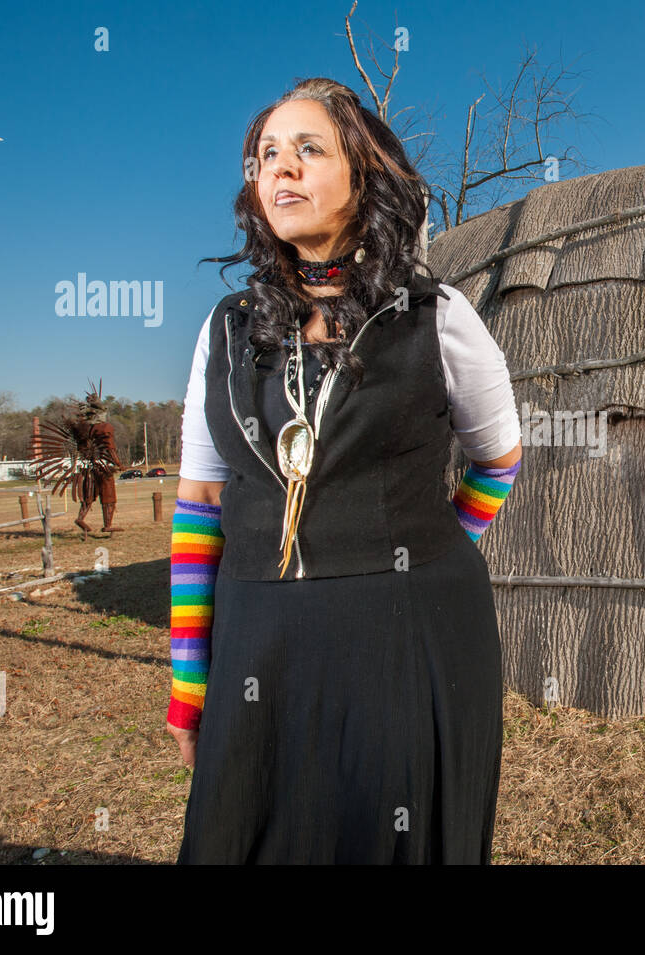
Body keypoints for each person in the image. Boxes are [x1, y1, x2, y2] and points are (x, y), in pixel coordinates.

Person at [165, 77, 522, 864]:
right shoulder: (225, 333)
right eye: (265, 156)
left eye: (308, 149)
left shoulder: (436, 315)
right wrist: (190, 684)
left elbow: (499, 456)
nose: (280, 169)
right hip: (260, 644)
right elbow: (198, 506)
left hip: (411, 637)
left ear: (364, 175)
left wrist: (431, 545)